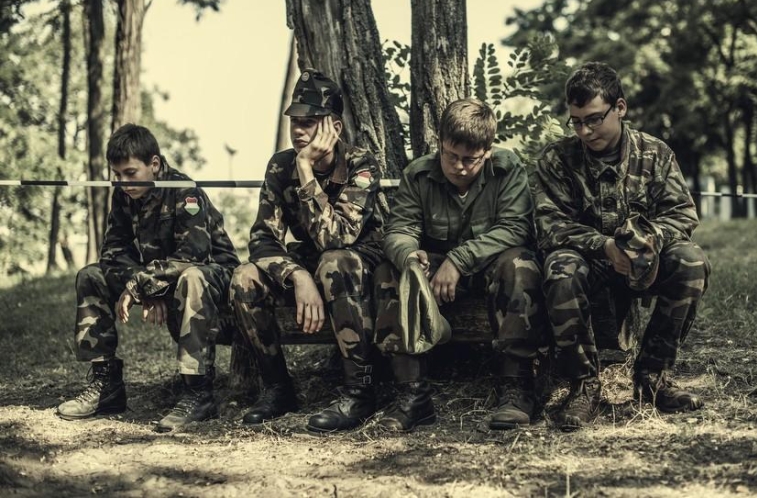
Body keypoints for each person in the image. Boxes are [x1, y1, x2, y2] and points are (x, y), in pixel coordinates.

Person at [531, 61, 711, 431]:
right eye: (576, 121)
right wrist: (604, 246)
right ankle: (584, 385)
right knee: (560, 267)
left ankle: (653, 378)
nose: (584, 130)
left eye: (594, 119)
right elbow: (550, 226)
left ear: (620, 108)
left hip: (645, 263)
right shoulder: (557, 158)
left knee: (691, 262)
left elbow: (682, 214)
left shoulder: (655, 153)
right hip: (588, 263)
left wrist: (648, 242)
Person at [374, 98, 544, 432]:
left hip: (488, 267)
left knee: (521, 264)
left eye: (470, 159)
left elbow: (515, 228)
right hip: (433, 271)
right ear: (440, 143)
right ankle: (413, 395)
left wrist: (459, 259)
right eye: (451, 155)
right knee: (387, 273)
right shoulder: (419, 174)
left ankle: (516, 388)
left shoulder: (507, 170)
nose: (460, 167)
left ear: (488, 151)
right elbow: (400, 230)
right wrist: (410, 257)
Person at [230, 68, 386, 432]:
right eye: (294, 122)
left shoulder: (361, 164)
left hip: (360, 259)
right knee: (244, 277)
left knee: (334, 262)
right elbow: (262, 239)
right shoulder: (278, 166)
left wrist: (305, 170)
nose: (299, 131)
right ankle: (277, 388)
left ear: (335, 127)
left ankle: (359, 392)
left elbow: (338, 239)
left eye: (310, 122)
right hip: (313, 261)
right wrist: (297, 275)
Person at [57, 124, 240, 432]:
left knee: (192, 277)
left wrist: (142, 283)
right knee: (91, 275)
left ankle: (198, 393)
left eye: (130, 173)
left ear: (154, 164)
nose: (123, 183)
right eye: (117, 175)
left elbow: (193, 255)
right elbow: (113, 252)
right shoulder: (125, 195)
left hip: (214, 280)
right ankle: (107, 386)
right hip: (164, 279)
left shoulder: (185, 192)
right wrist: (144, 288)